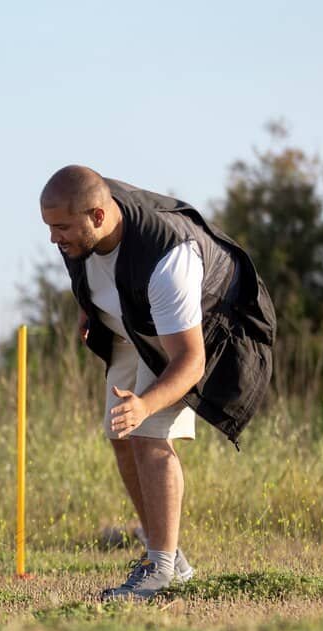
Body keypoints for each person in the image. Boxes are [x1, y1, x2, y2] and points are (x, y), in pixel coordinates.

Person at [39, 165, 275, 600]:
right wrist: (90, 308)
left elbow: (189, 362)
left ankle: (162, 571)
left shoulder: (168, 261)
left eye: (61, 228)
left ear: (97, 216)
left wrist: (147, 404)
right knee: (120, 431)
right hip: (135, 319)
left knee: (147, 432)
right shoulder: (79, 226)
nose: (55, 238)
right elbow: (94, 268)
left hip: (193, 330)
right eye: (49, 227)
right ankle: (165, 557)